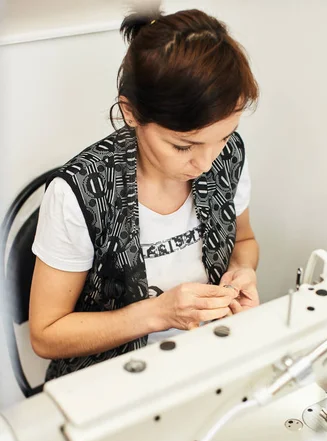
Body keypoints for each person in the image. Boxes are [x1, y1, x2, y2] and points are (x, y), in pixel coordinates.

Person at [29, 7, 260, 381]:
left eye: (222, 138)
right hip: (110, 383)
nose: (205, 162)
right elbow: (46, 334)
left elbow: (244, 240)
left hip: (206, 360)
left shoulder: (226, 156)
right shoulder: (79, 192)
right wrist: (158, 313)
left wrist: (241, 271)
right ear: (130, 113)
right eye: (183, 146)